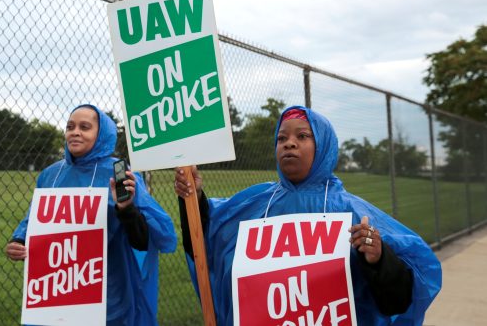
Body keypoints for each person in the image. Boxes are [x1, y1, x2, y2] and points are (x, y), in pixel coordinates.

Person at [174, 105, 441, 325]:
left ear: (323, 146)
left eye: (302, 136)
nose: (289, 143)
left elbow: (397, 300)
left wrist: (379, 259)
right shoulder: (255, 204)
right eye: (282, 138)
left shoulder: (352, 212)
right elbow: (205, 242)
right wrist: (193, 197)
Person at [6, 104, 177, 326]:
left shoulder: (119, 172)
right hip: (55, 291)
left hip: (108, 293)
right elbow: (34, 219)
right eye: (70, 126)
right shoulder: (51, 174)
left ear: (102, 134)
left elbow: (143, 240)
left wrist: (126, 208)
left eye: (84, 127)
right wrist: (18, 241)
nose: (75, 132)